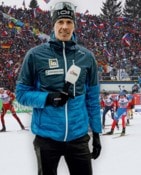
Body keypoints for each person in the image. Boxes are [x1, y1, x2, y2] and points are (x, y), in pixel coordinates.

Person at [15, 2, 102, 175]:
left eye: (69, 22)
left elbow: (92, 99)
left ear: (74, 25)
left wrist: (97, 134)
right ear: (53, 24)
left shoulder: (87, 57)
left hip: (78, 137)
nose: (64, 27)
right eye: (60, 22)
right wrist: (47, 98)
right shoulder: (35, 55)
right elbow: (21, 94)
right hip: (46, 137)